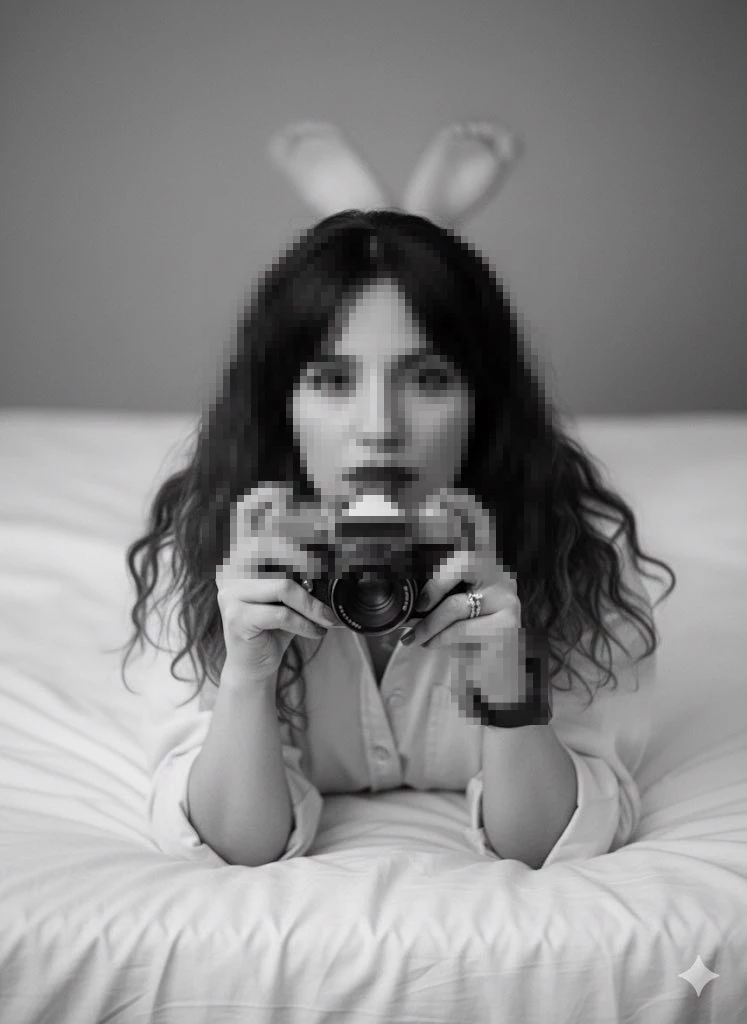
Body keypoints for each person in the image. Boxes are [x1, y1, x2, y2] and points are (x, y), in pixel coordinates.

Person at [120, 174, 676, 872]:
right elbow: (232, 843)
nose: (379, 430)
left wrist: (510, 685)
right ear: (281, 405)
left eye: (429, 379)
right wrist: (247, 676)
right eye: (331, 381)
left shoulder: (574, 555)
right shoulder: (217, 550)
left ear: (483, 403)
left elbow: (546, 842)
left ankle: (400, 209)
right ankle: (405, 207)